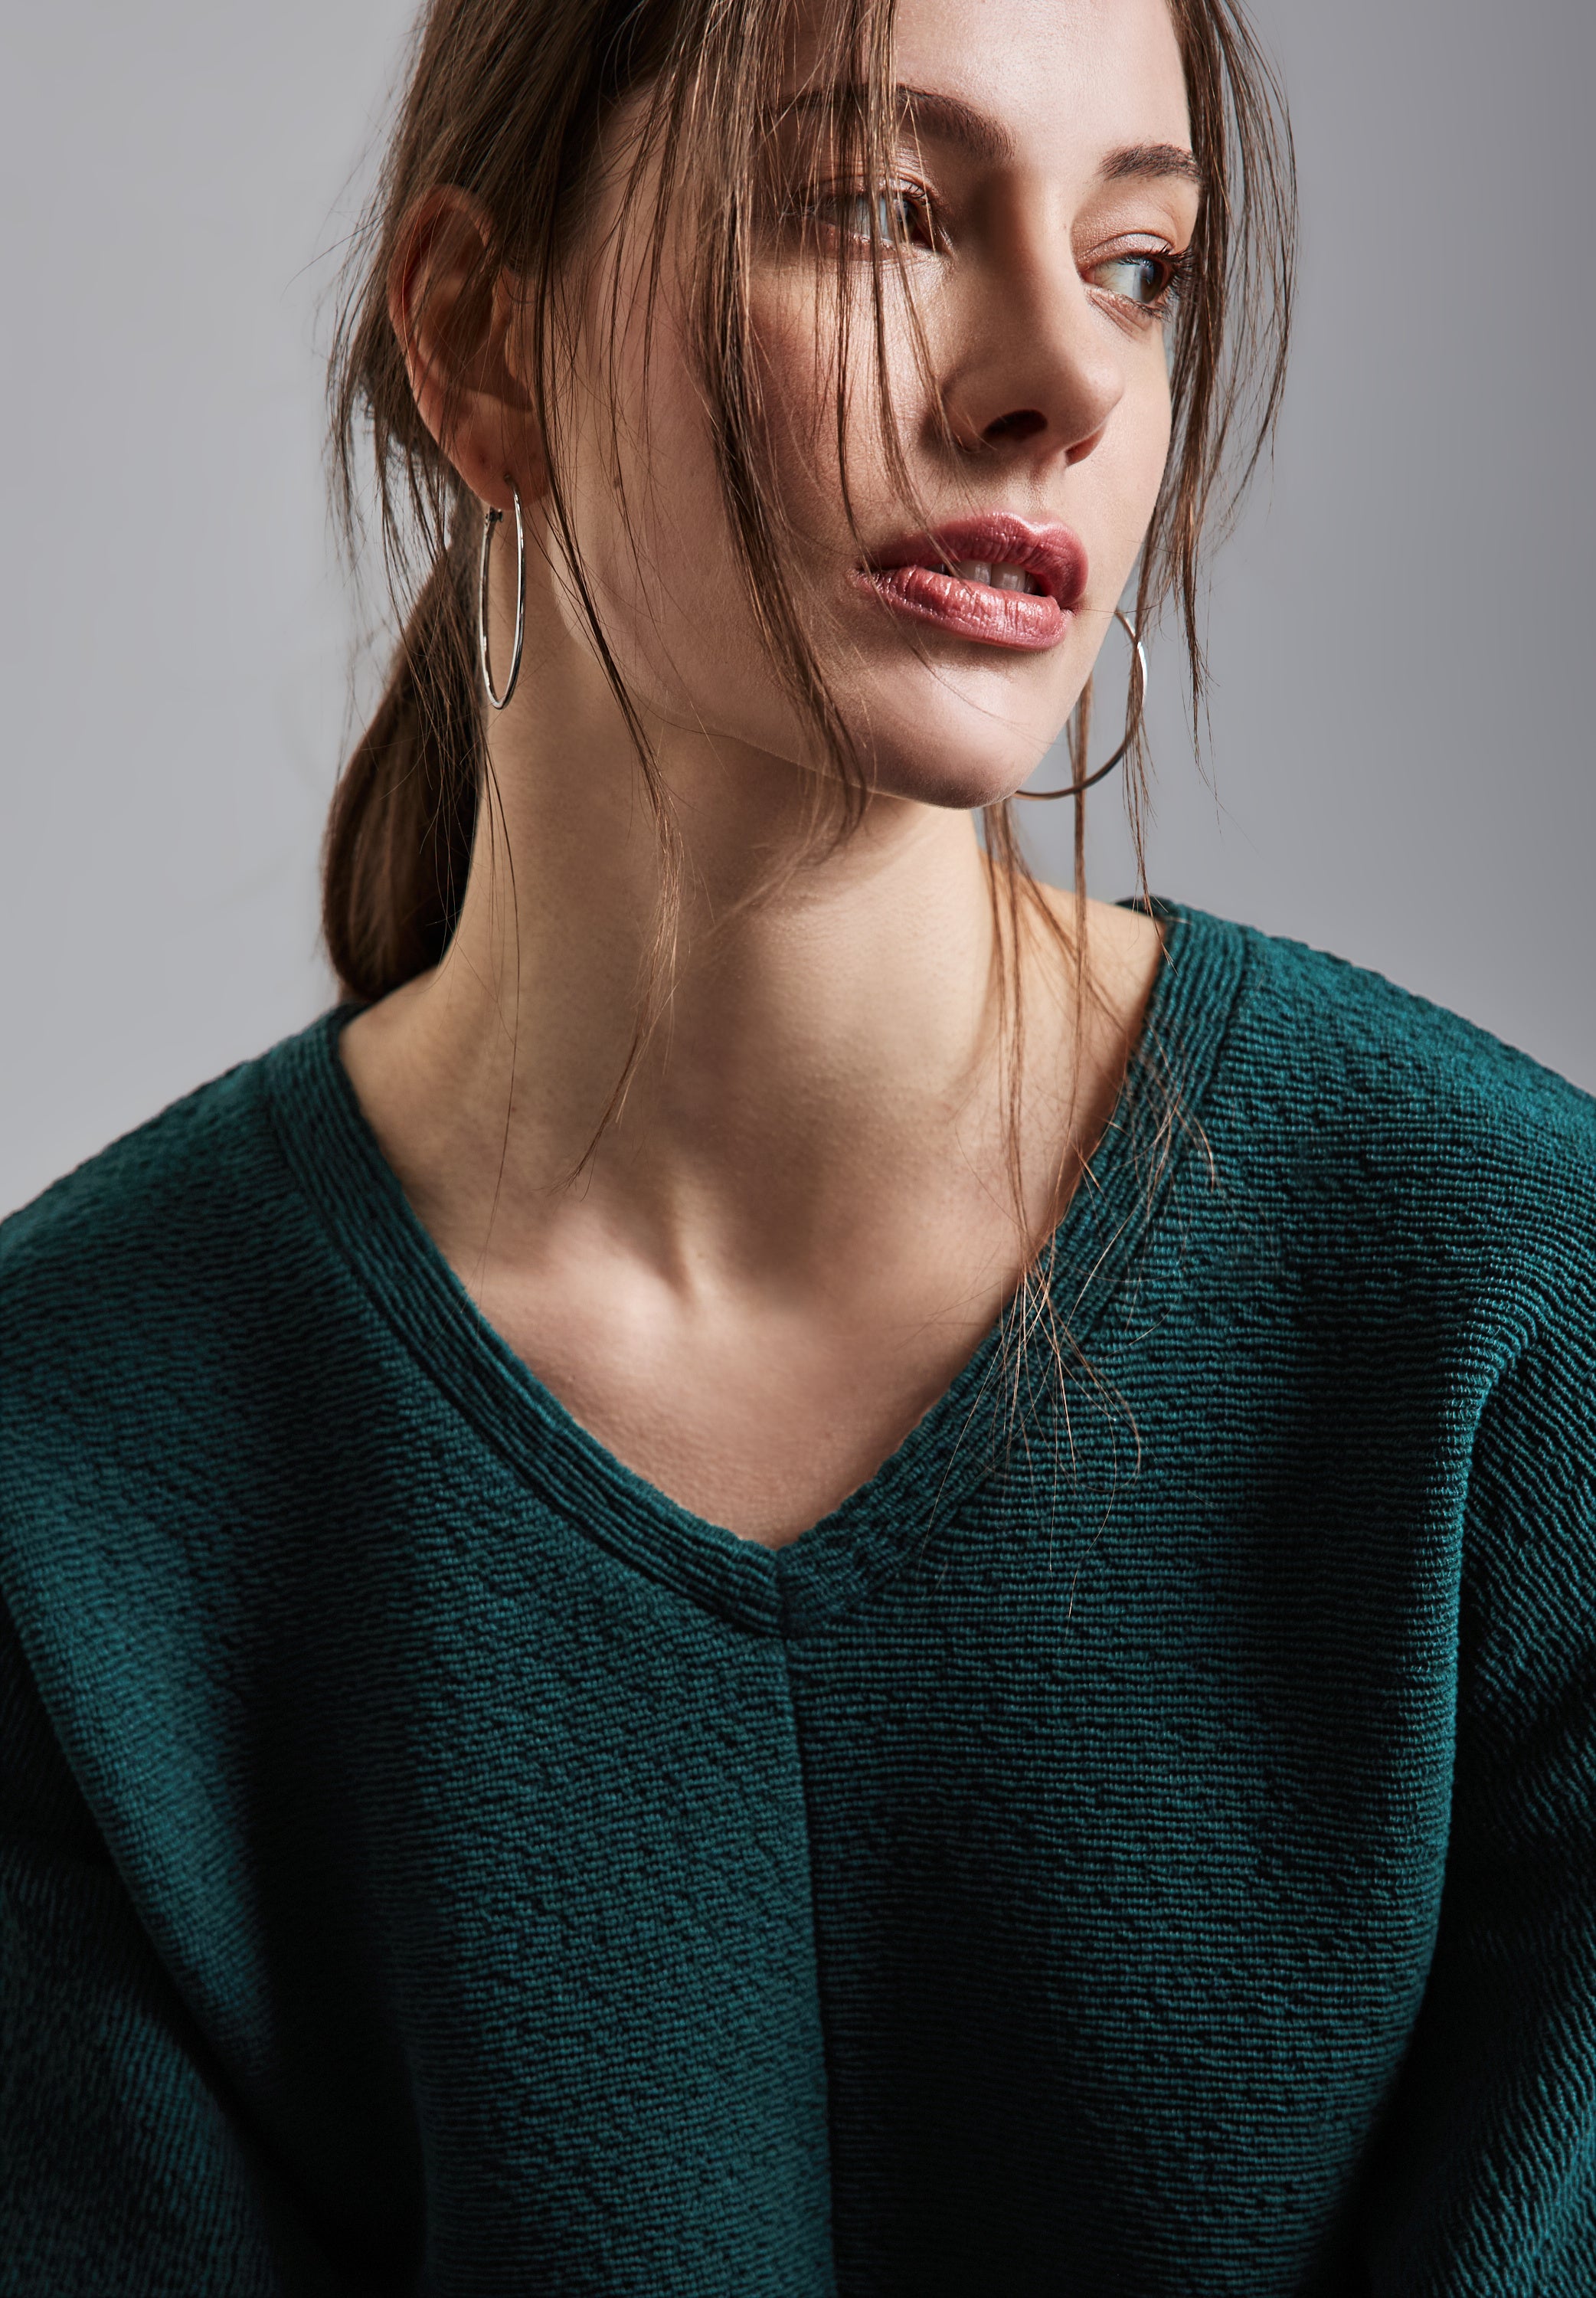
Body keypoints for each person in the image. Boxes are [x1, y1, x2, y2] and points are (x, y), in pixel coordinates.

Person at [2, 0, 1591, 2287]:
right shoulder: (68, 1473)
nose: (1063, 377)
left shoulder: (1519, 1338)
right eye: (881, 211)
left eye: (1140, 263)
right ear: (481, 339)